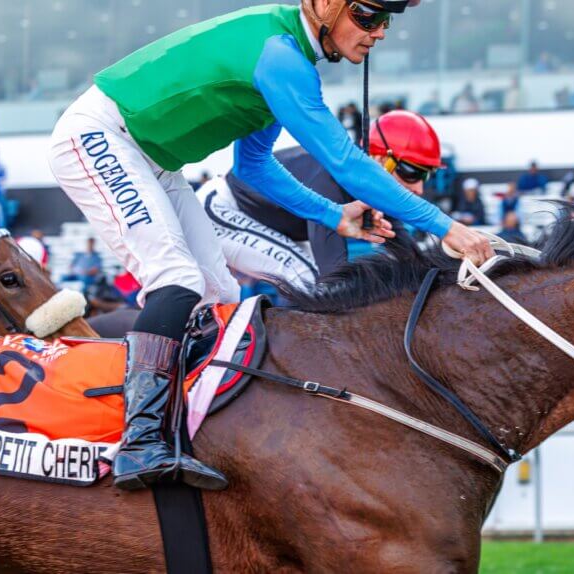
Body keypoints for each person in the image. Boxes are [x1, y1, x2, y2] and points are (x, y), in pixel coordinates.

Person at [46, 0, 494, 492]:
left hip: (152, 160)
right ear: (324, 6)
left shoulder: (289, 56)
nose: (379, 31)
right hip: (100, 136)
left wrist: (333, 216)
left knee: (220, 296)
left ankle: (186, 432)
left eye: (386, 20)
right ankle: (139, 443)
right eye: (367, 15)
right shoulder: (282, 58)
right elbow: (345, 162)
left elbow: (254, 166)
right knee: (177, 280)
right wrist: (446, 227)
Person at [197, 110, 449, 284]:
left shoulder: (371, 185)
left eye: (427, 175)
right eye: (413, 172)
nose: (419, 189)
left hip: (260, 218)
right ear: (381, 159)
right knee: (310, 279)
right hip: (221, 208)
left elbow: (409, 258)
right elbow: (333, 277)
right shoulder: (330, 178)